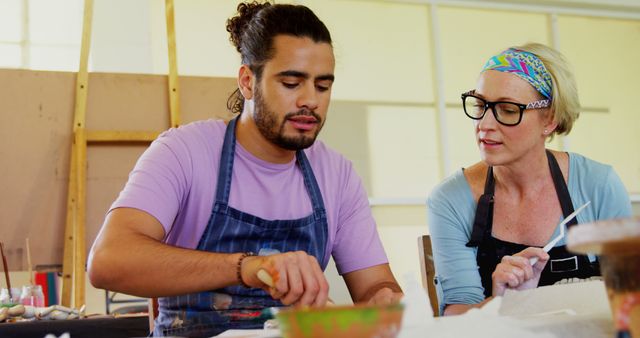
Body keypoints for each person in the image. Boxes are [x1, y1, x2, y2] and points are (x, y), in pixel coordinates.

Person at [87, 2, 402, 336]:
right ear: (248, 81)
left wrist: (383, 300)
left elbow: (375, 285)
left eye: (323, 86)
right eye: (292, 83)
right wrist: (248, 266)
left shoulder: (337, 174)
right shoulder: (184, 152)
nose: (311, 100)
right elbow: (108, 260)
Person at [427, 43, 632, 316]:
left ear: (550, 119)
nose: (484, 124)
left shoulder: (599, 185)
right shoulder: (450, 200)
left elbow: (631, 298)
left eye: (508, 110)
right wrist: (504, 303)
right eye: (480, 105)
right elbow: (457, 316)